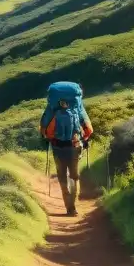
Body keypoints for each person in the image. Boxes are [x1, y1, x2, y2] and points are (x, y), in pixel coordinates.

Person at [39, 81, 93, 215]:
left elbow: (43, 127)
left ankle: (67, 206)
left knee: (62, 177)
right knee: (74, 177)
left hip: (57, 147)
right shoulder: (77, 107)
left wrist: (46, 138)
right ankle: (73, 207)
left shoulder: (52, 107)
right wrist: (84, 139)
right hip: (74, 145)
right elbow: (89, 129)